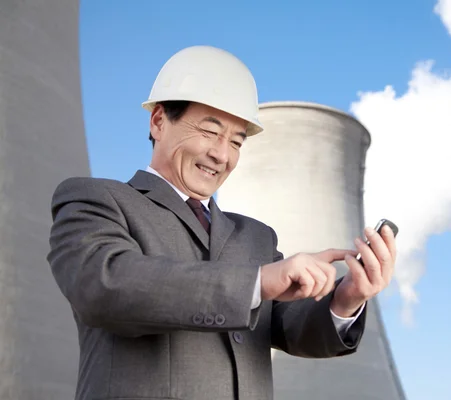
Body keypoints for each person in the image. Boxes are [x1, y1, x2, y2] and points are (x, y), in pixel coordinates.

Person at [47, 45, 397, 400]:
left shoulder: (256, 238)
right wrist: (257, 282)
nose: (222, 154)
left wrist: (347, 298)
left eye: (236, 141)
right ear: (158, 121)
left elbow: (293, 329)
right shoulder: (95, 200)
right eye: (209, 132)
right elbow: (106, 286)